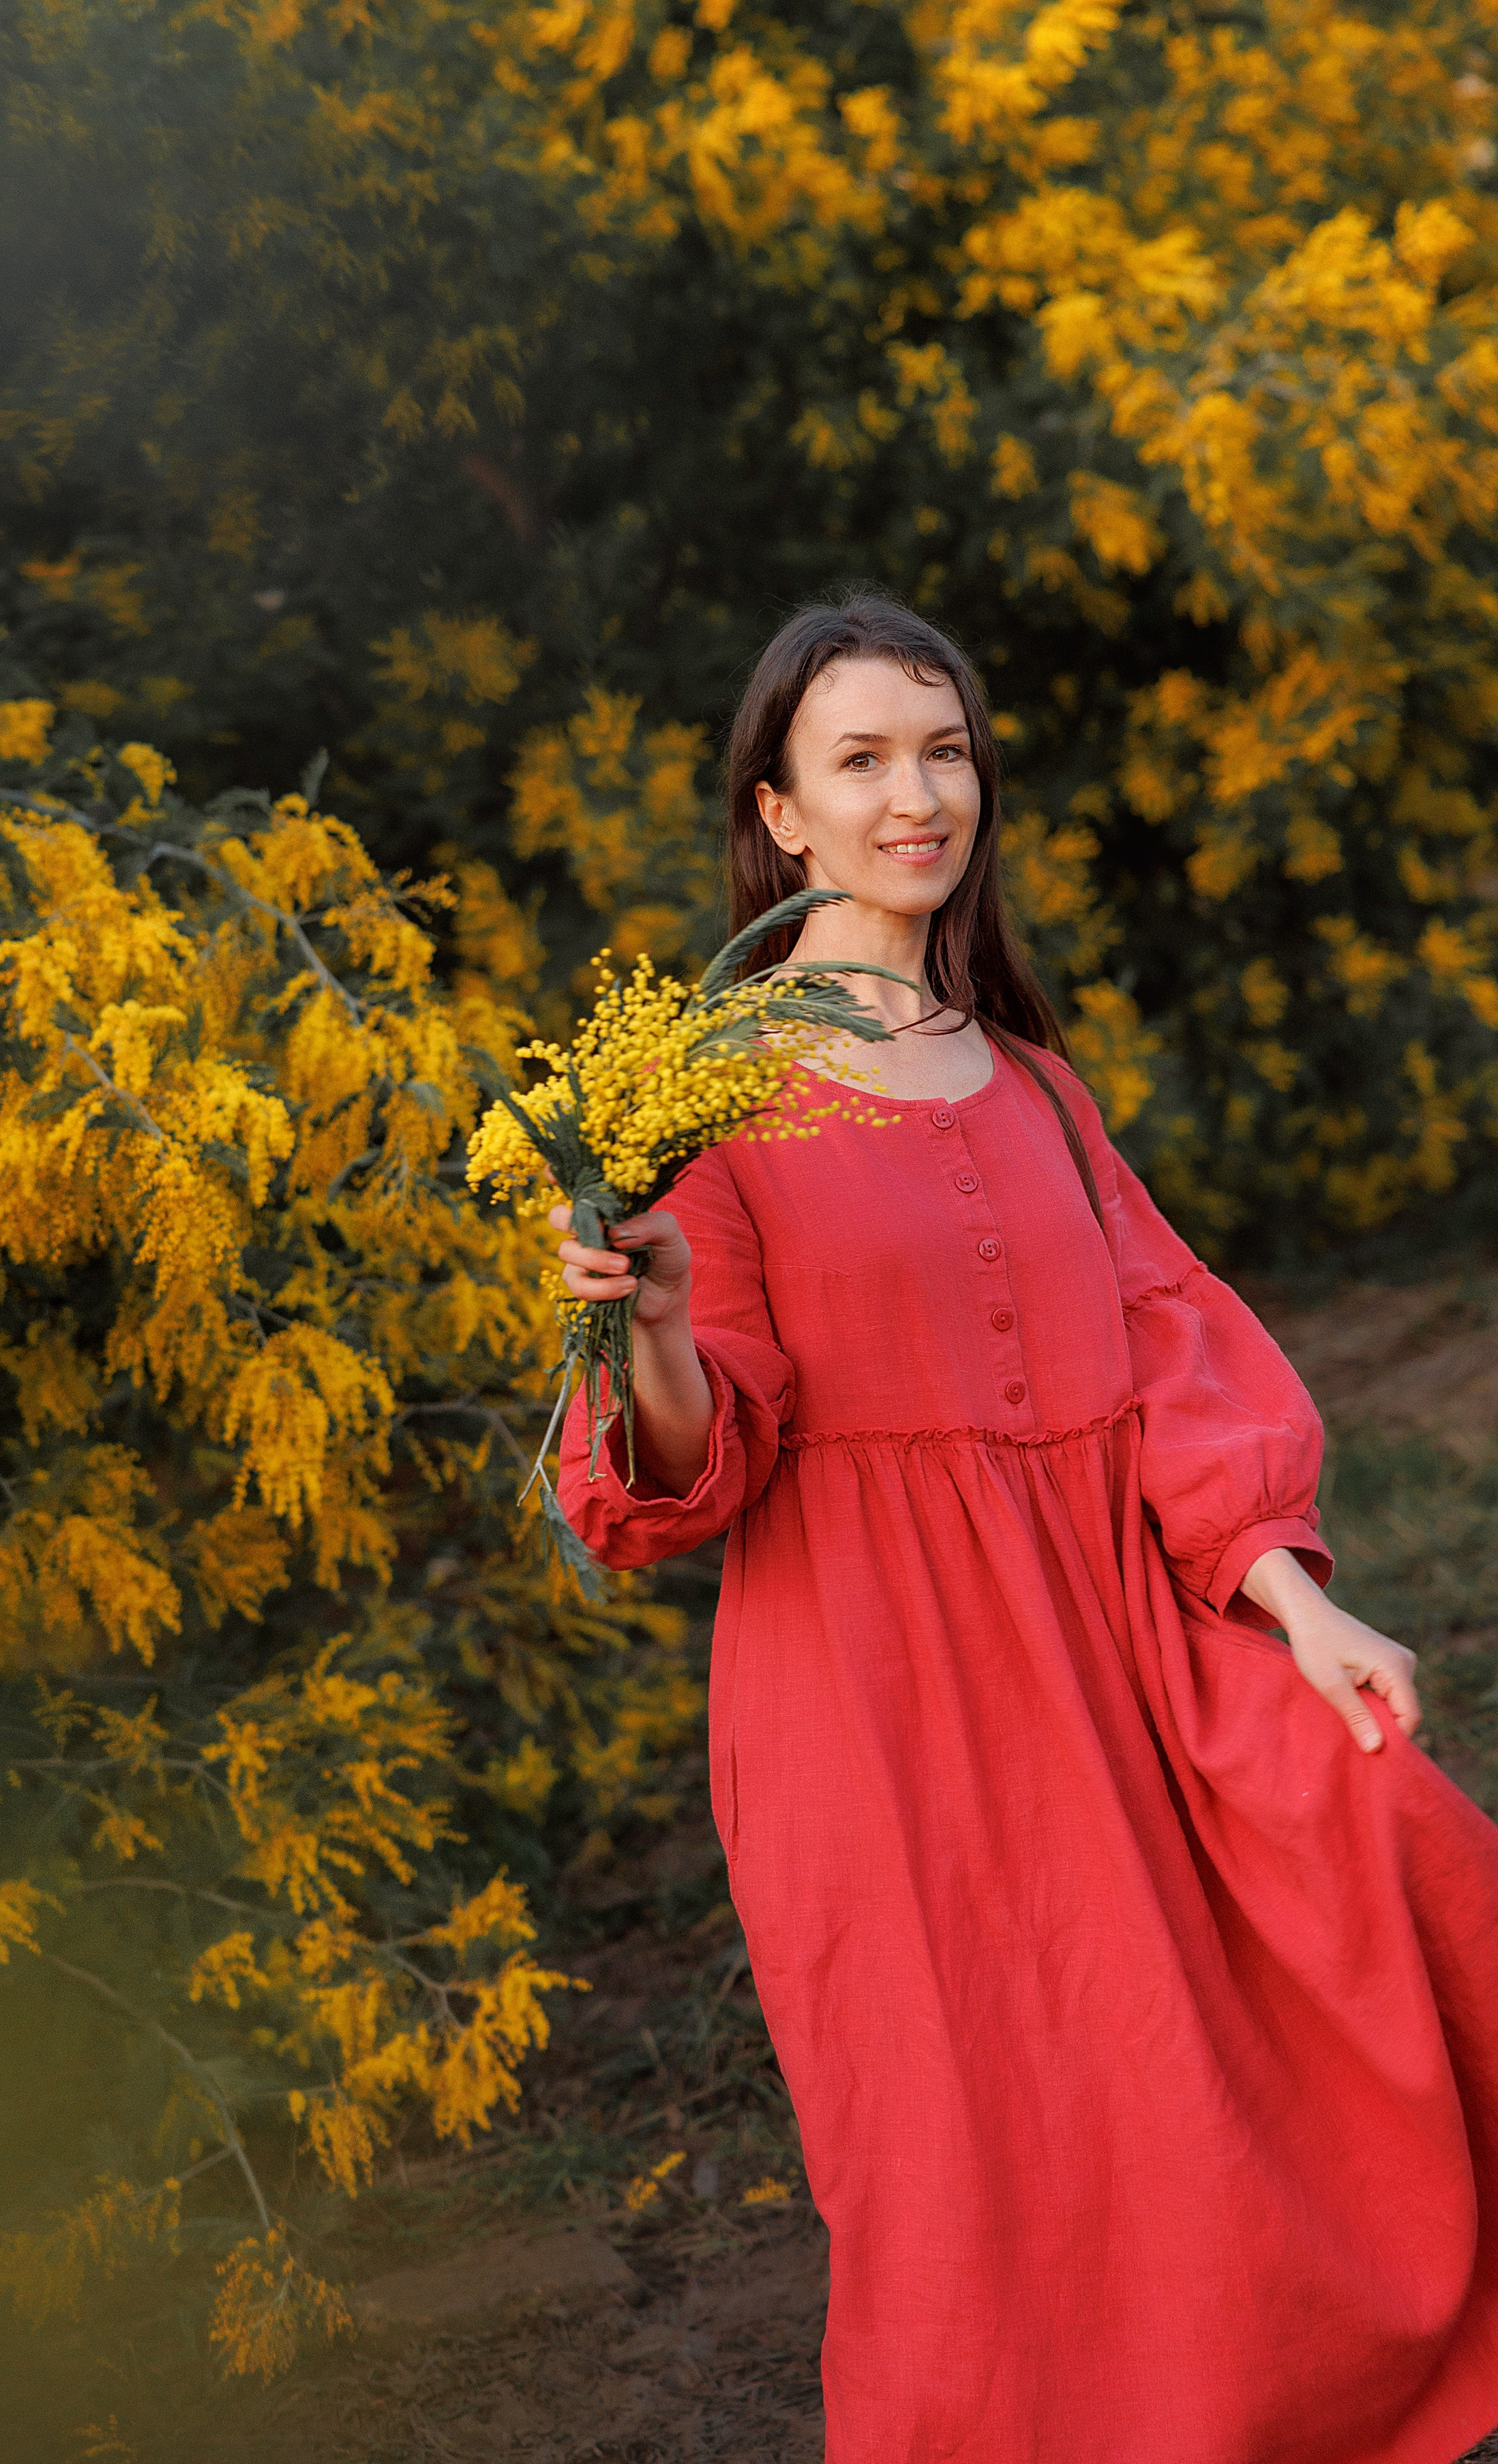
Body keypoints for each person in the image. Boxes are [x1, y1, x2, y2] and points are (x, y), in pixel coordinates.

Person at [549, 592, 1498, 2464]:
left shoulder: (1037, 1083)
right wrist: (651, 1322)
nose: (918, 797)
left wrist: (1294, 1600)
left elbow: (1164, 1354)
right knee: (971, 2165)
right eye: (862, 760)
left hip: (1116, 1642)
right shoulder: (702, 1098)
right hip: (876, 1696)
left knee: (1361, 1867)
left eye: (947, 752)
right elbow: (684, 1474)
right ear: (779, 814)